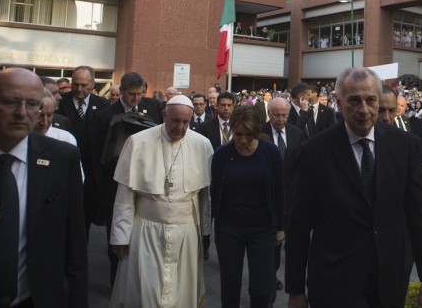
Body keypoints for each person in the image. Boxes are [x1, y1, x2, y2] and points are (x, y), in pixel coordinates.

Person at [285, 67, 422, 308]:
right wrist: (295, 290)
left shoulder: (406, 146)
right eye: (354, 101)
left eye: (370, 100)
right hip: (335, 281)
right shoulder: (315, 151)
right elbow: (299, 224)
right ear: (339, 102)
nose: (364, 110)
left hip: (390, 278)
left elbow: (420, 214)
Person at [0, 68, 88, 307]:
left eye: (32, 104)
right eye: (10, 102)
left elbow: (75, 248)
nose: (21, 113)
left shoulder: (62, 158)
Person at [109, 95, 213, 307]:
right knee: (145, 292)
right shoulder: (139, 142)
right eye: (175, 121)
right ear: (164, 115)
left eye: (186, 122)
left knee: (181, 293)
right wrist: (120, 236)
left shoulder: (202, 145)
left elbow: (205, 196)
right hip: (146, 231)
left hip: (186, 233)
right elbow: (125, 195)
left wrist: (205, 232)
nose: (180, 127)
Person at [211, 106, 284, 308]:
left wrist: (280, 227)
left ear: (257, 132)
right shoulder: (222, 155)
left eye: (248, 135)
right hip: (229, 229)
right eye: (238, 134)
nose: (242, 140)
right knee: (230, 285)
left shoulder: (270, 153)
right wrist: (209, 227)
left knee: (262, 289)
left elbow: (279, 190)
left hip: (262, 229)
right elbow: (214, 192)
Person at [97, 72, 163, 286]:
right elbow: (97, 154)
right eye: (132, 94)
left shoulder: (152, 108)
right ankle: (116, 284)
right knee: (117, 238)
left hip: (145, 185)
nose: (136, 99)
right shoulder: (106, 116)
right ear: (121, 92)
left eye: (140, 94)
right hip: (115, 185)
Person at [56, 65, 111, 234]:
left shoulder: (103, 105)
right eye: (75, 84)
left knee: (84, 219)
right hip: (63, 169)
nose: (79, 89)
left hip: (91, 174)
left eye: (84, 85)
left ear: (93, 84)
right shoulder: (60, 102)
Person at [261, 97, 307, 293]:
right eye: (276, 115)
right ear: (269, 114)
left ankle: (287, 277)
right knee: (273, 243)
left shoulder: (297, 133)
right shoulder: (260, 133)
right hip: (267, 198)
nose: (280, 119)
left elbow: (304, 162)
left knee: (292, 241)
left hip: (293, 197)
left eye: (284, 115)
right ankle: (270, 276)